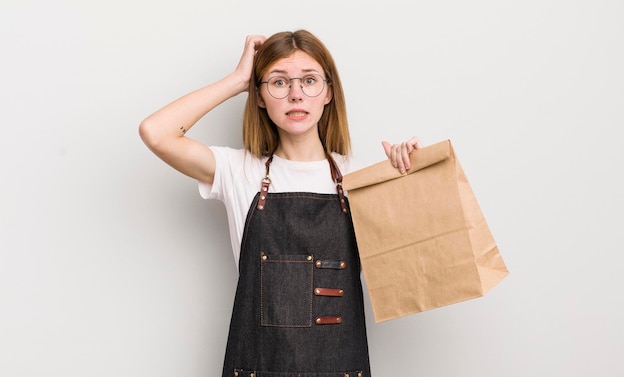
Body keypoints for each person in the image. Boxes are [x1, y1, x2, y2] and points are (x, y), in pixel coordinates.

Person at [139, 29, 421, 377]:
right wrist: (237, 80)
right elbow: (156, 132)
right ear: (259, 96)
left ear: (329, 93)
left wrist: (408, 178)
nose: (296, 94)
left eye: (309, 80)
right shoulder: (238, 171)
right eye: (278, 82)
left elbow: (416, 267)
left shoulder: (361, 177)